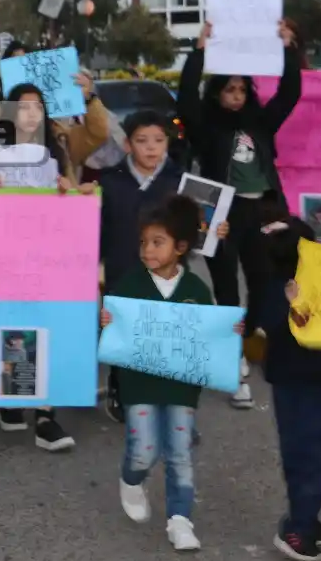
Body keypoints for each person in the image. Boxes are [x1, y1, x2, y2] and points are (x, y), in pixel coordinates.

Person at [101, 195, 241, 553]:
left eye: (157, 242)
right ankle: (132, 480)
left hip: (182, 387)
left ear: (180, 247)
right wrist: (107, 322)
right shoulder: (132, 285)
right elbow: (116, 328)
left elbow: (208, 333)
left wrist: (228, 332)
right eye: (144, 242)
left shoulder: (196, 290)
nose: (148, 250)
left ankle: (180, 519)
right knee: (144, 450)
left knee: (180, 452)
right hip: (139, 385)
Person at [178, 19, 301, 409]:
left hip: (261, 209)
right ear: (217, 93)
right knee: (225, 284)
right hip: (218, 210)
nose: (236, 95)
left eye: (242, 89)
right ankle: (233, 356)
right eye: (229, 89)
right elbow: (184, 99)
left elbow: (290, 94)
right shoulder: (206, 126)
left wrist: (288, 48)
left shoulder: (261, 122)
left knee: (265, 282)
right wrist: (199, 52)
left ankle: (241, 335)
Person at [0, 83, 86, 451]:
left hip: (47, 256)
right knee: (11, 326)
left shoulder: (56, 151)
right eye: (23, 106)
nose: (31, 113)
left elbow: (76, 198)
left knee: (47, 326)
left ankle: (46, 416)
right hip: (4, 256)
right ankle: (11, 398)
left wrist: (70, 188)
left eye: (38, 106)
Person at [259, 205, 321, 559]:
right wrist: (292, 305)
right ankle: (298, 529)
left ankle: (307, 517)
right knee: (304, 455)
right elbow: (271, 325)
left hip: (319, 380)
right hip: (292, 384)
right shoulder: (275, 290)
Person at [98, 109, 187, 423]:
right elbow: (98, 230)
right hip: (122, 271)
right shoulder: (109, 182)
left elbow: (194, 230)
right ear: (127, 144)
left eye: (159, 141)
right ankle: (120, 389)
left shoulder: (180, 183)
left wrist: (215, 231)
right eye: (142, 140)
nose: (151, 148)